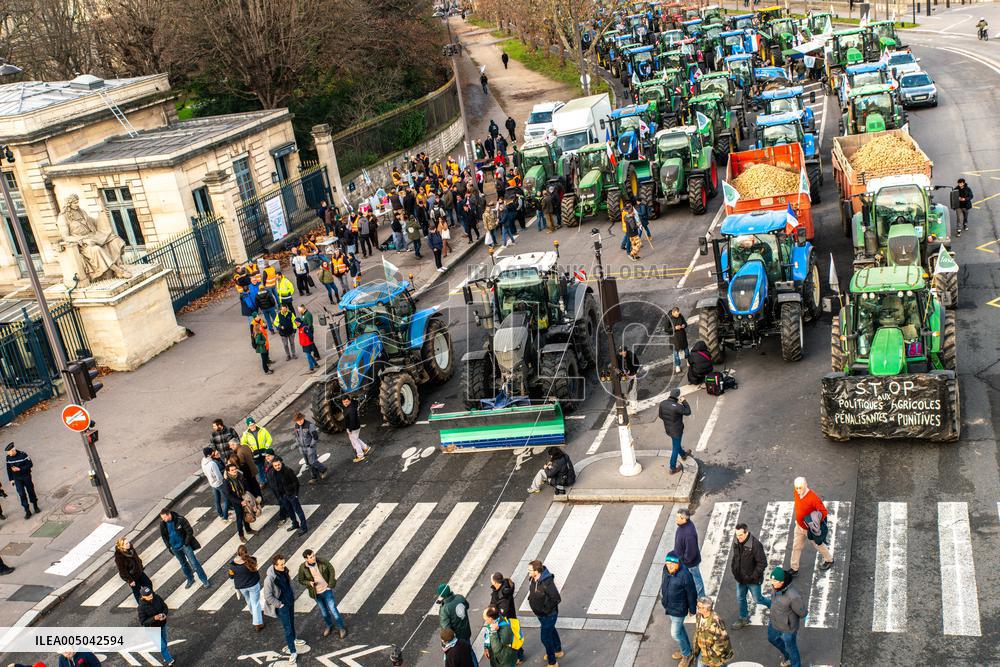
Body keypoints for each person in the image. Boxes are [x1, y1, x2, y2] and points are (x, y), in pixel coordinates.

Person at [296, 548, 348, 639]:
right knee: (324, 611)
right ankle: (329, 625)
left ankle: (341, 628)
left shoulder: (322, 561)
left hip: (326, 590)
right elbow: (301, 580)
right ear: (306, 559)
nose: (314, 558)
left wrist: (330, 585)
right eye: (311, 557)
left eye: (313, 555)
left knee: (333, 609)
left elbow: (331, 569)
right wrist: (309, 583)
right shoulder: (302, 568)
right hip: (316, 593)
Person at [262, 554, 304, 663]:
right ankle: (293, 651)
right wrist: (279, 604)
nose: (283, 566)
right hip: (282, 605)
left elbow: (288, 585)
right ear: (275, 565)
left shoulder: (284, 571)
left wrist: (292, 596)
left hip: (290, 601)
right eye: (281, 565)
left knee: (292, 621)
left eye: (284, 563)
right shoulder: (269, 579)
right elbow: (267, 596)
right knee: (288, 628)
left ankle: (294, 640)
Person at [790, 477, 834, 575]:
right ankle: (794, 568)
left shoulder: (813, 498)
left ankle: (829, 560)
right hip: (799, 526)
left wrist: (814, 523)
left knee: (818, 545)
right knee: (796, 547)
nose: (798, 490)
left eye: (800, 488)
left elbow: (823, 512)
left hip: (810, 530)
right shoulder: (797, 493)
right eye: (796, 488)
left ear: (806, 485)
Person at [660, 551, 698, 667]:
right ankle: (686, 651)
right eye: (667, 563)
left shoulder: (685, 575)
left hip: (679, 610)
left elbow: (692, 593)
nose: (669, 566)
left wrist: (692, 609)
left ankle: (686, 654)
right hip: (669, 606)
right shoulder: (666, 570)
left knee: (675, 633)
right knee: (680, 630)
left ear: (677, 564)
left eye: (672, 564)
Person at [731, 522, 771, 628]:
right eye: (737, 534)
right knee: (740, 598)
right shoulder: (736, 541)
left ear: (746, 532)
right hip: (740, 578)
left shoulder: (755, 545)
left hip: (752, 580)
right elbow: (735, 557)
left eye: (740, 535)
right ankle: (743, 618)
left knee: (758, 599)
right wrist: (734, 569)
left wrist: (752, 577)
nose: (738, 537)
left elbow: (762, 563)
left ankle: (775, 606)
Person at [158, 509, 210, 589]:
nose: (163, 520)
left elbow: (189, 531)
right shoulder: (163, 524)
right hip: (175, 548)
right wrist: (169, 546)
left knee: (194, 564)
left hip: (184, 546)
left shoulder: (180, 519)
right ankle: (190, 579)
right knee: (183, 565)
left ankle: (204, 580)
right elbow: (164, 537)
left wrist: (186, 543)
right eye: (162, 518)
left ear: (169, 514)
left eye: (164, 518)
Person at [767, 567, 806, 667]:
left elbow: (802, 613)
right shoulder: (776, 587)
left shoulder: (793, 596)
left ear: (782, 582)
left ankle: (795, 664)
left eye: (775, 581)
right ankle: (787, 657)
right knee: (772, 639)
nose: (772, 583)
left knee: (791, 648)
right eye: (771, 580)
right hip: (774, 621)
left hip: (788, 628)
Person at [527, 560, 562, 666]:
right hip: (540, 614)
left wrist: (545, 609)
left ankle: (552, 662)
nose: (528, 572)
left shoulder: (547, 582)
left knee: (545, 638)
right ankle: (558, 650)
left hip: (549, 615)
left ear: (537, 571)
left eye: (530, 570)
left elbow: (556, 598)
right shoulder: (533, 579)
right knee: (551, 631)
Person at [490, 572, 525, 663]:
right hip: (510, 617)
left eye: (492, 580)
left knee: (512, 639)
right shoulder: (504, 587)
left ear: (495, 582)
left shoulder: (503, 595)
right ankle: (519, 655)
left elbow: (503, 611)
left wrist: (493, 612)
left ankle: (519, 656)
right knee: (514, 637)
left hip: (507, 620)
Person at [266, 457, 307, 536]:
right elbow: (274, 485)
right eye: (275, 465)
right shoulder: (273, 473)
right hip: (283, 496)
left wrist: (295, 495)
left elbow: (296, 483)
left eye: (279, 465)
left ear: (281, 463)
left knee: (299, 511)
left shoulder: (288, 470)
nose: (277, 467)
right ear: (273, 466)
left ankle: (304, 527)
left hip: (291, 495)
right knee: (290, 511)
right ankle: (295, 524)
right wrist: (279, 496)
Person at [228, 544, 264, 631]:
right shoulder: (252, 560)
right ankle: (257, 622)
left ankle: (253, 614)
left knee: (248, 600)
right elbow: (255, 565)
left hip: (242, 587)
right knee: (255, 603)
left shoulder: (232, 565)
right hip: (253, 585)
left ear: (237, 553)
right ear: (246, 552)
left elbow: (231, 576)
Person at [137, 586, 175, 666]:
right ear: (143, 596)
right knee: (162, 646)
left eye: (150, 593)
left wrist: (164, 614)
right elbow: (143, 622)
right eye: (148, 595)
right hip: (152, 629)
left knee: (164, 641)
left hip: (162, 624)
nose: (150, 596)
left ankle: (165, 656)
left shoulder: (156, 597)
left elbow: (165, 607)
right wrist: (154, 618)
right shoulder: (141, 607)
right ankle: (169, 660)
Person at [693, 596, 734, 667]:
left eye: (699, 607)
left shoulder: (716, 622)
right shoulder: (699, 615)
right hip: (704, 650)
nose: (697, 608)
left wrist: (712, 657)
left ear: (706, 609)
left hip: (714, 655)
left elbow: (721, 642)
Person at [658, 388, 692, 474]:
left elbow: (661, 416)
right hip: (677, 430)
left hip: (669, 429)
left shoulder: (663, 403)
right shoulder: (678, 407)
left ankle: (683, 454)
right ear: (677, 396)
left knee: (676, 444)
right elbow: (688, 412)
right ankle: (672, 468)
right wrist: (684, 401)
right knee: (675, 448)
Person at [224, 463, 259, 543]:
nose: (234, 471)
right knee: (239, 518)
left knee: (247, 514)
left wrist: (248, 496)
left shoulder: (240, 476)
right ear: (228, 472)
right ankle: (241, 535)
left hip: (245, 498)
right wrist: (240, 502)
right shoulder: (227, 482)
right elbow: (228, 495)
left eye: (235, 469)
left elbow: (247, 486)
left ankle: (248, 529)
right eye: (232, 470)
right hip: (237, 502)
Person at [674, 507, 704, 597]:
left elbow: (691, 552)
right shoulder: (683, 526)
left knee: (697, 581)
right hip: (685, 561)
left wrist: (685, 562)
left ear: (684, 519)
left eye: (678, 517)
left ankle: (701, 598)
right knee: (692, 580)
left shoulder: (689, 533)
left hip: (690, 564)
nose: (676, 519)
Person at [5, 443, 39, 519]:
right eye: (7, 452)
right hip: (17, 479)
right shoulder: (8, 458)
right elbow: (8, 469)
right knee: (21, 494)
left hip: (26, 476)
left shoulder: (23, 455)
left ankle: (35, 506)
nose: (8, 453)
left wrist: (20, 469)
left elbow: (30, 464)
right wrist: (11, 479)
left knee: (31, 491)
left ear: (13, 450)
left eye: (9, 452)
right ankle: (27, 511)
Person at [114, 537, 152, 604]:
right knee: (137, 592)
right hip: (132, 577)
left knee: (148, 583)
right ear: (121, 547)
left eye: (128, 542)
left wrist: (140, 565)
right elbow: (122, 571)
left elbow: (136, 558)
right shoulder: (119, 557)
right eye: (126, 544)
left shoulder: (130, 549)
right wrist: (130, 580)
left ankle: (150, 597)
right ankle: (142, 605)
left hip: (139, 572)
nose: (129, 544)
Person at [292, 412, 327, 483]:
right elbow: (297, 436)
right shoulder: (296, 426)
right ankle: (314, 477)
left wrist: (311, 446)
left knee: (313, 462)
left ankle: (323, 469)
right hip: (302, 448)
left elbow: (315, 437)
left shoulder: (309, 425)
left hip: (310, 447)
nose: (300, 422)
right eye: (298, 421)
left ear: (303, 418)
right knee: (308, 463)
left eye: (301, 420)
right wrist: (296, 444)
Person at [241, 418, 274, 488]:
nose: (252, 426)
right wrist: (250, 449)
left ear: (255, 423)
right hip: (255, 455)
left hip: (264, 452)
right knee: (259, 469)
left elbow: (269, 438)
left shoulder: (263, 430)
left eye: (253, 424)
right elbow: (243, 443)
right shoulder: (245, 434)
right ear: (248, 426)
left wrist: (266, 447)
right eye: (250, 425)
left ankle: (270, 479)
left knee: (268, 467)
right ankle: (263, 481)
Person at [201, 447, 229, 521]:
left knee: (217, 500)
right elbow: (218, 475)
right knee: (227, 499)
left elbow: (205, 473)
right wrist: (223, 481)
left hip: (212, 483)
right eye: (212, 452)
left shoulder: (203, 461)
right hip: (219, 484)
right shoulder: (212, 463)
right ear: (210, 454)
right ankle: (225, 516)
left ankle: (221, 514)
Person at [341, 396, 371, 462]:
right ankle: (366, 448)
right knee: (356, 439)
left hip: (353, 428)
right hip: (354, 427)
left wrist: (350, 429)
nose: (345, 403)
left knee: (355, 441)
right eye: (344, 402)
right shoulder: (348, 407)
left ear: (350, 401)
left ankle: (360, 456)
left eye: (346, 402)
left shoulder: (351, 409)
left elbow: (352, 420)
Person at [297, 306, 321, 372]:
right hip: (304, 344)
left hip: (307, 343)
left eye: (299, 309)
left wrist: (310, 340)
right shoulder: (302, 317)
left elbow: (310, 325)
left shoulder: (304, 326)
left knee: (308, 355)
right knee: (309, 355)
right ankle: (315, 364)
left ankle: (311, 367)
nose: (299, 311)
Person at [666, 306, 689, 373]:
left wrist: (684, 325)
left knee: (686, 350)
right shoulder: (668, 318)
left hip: (682, 336)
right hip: (674, 339)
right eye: (676, 314)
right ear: (673, 313)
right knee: (676, 353)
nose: (677, 315)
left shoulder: (680, 316)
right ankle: (677, 365)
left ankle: (688, 360)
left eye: (678, 314)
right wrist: (675, 328)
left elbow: (685, 323)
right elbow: (666, 329)